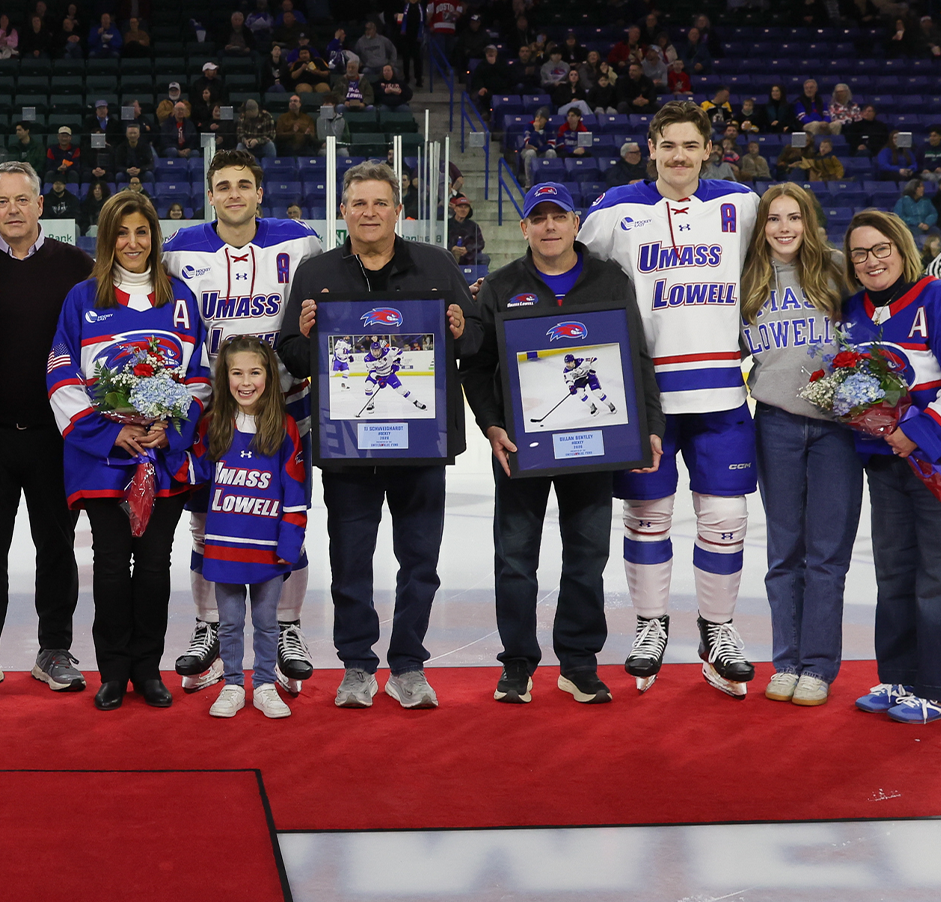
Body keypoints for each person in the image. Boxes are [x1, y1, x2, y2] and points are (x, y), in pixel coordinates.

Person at [276, 161, 483, 709]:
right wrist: (305, 335)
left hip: (421, 445)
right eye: (359, 204)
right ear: (343, 211)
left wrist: (463, 332)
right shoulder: (318, 272)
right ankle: (357, 666)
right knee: (350, 560)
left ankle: (409, 665)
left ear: (398, 209)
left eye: (380, 203)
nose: (370, 213)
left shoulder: (436, 264)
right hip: (349, 447)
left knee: (420, 560)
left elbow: (477, 338)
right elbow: (292, 354)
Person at [578, 100, 762, 697]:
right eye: (668, 145)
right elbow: (575, 279)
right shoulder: (613, 209)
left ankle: (718, 632)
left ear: (708, 149)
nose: (679, 156)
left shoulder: (742, 204)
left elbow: (787, 263)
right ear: (649, 147)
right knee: (648, 519)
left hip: (721, 392)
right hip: (647, 397)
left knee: (726, 518)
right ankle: (651, 625)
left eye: (691, 145)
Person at [460, 182, 663, 705]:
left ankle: (577, 661)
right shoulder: (502, 285)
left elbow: (636, 356)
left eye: (558, 216)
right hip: (522, 446)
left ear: (576, 224)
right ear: (524, 227)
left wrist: (650, 425)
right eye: (538, 218)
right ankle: (519, 663)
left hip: (595, 445)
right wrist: (491, 425)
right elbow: (478, 367)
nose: (549, 226)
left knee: (587, 555)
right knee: (515, 557)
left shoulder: (609, 279)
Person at [165, 149, 322, 694]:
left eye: (244, 185)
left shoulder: (300, 240)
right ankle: (211, 626)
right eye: (224, 185)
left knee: (286, 510)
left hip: (285, 402)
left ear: (260, 192)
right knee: (209, 518)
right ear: (211, 194)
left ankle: (286, 629)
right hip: (212, 408)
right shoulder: (180, 249)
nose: (234, 194)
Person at [840, 210, 941, 724]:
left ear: (902, 248)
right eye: (860, 253)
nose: (871, 261)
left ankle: (938, 688)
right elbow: (854, 389)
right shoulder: (853, 310)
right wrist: (866, 422)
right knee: (895, 575)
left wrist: (918, 432)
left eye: (881, 249)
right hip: (891, 466)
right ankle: (899, 677)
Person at [50, 190, 211, 710]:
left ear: (154, 237)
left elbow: (200, 378)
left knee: (157, 564)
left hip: (161, 457)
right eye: (122, 232)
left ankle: (148, 668)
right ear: (106, 239)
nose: (132, 242)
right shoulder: (82, 297)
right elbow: (61, 376)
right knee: (113, 563)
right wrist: (110, 432)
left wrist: (171, 426)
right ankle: (113, 671)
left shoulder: (180, 298)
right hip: (105, 458)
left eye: (142, 232)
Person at [0, 163, 93, 696]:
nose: (11, 210)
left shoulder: (77, 265)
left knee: (56, 547)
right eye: (1, 202)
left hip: (53, 435)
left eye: (22, 200)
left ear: (41, 205)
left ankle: (54, 649)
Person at [737, 183, 859, 707]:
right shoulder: (747, 280)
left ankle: (818, 666)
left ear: (809, 223)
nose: (784, 228)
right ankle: (785, 660)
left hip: (838, 430)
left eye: (794, 218)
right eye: (774, 219)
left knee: (827, 555)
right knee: (785, 553)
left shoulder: (836, 270)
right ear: (761, 226)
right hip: (776, 425)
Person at [191, 336, 307, 720]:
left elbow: (295, 493)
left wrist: (290, 545)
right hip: (224, 547)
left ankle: (263, 685)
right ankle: (232, 685)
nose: (245, 381)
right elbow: (195, 473)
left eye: (255, 372)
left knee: (266, 622)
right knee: (229, 624)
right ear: (224, 378)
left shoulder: (284, 427)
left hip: (267, 548)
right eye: (236, 372)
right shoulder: (213, 425)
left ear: (269, 377)